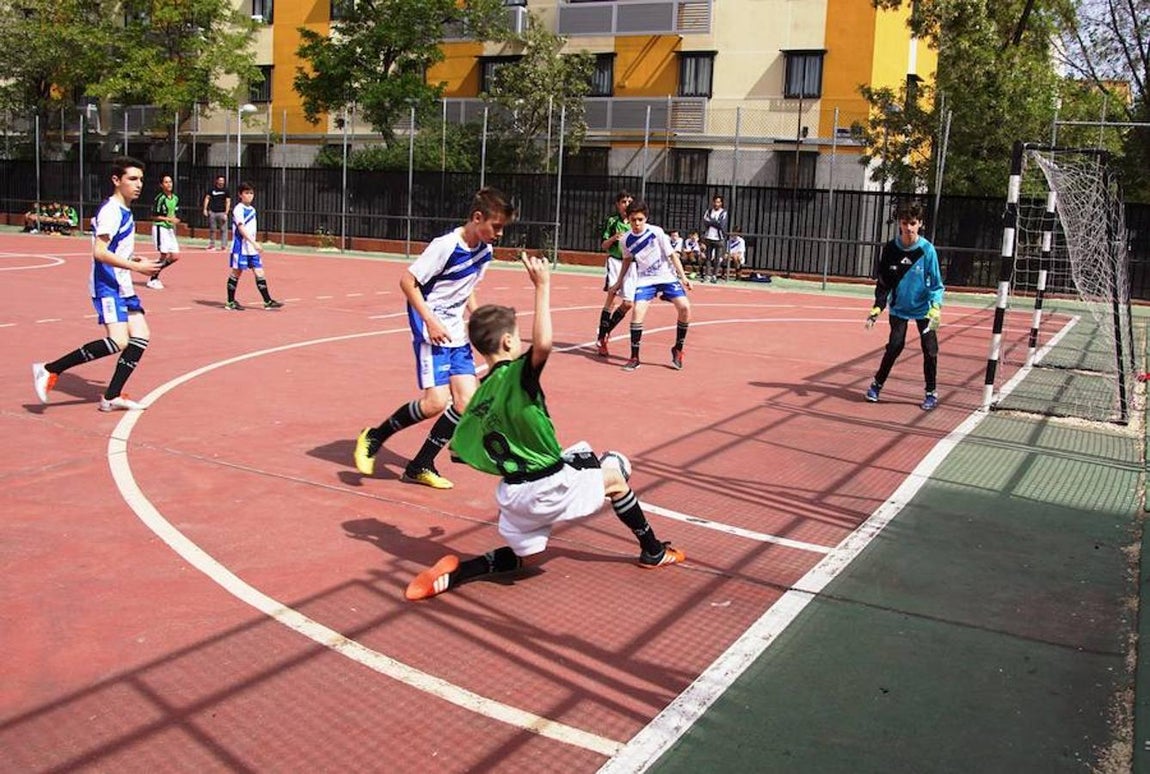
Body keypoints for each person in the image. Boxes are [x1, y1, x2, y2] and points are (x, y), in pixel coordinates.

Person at [404, 253, 685, 601]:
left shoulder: (476, 398)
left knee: (529, 558)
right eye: (517, 336)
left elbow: (465, 451)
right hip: (547, 486)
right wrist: (542, 287)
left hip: (513, 496)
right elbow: (544, 346)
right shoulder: (514, 377)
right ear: (508, 343)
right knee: (615, 474)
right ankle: (653, 551)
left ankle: (461, 572)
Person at [353, 187, 516, 489]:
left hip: (455, 327)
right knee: (434, 403)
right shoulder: (445, 246)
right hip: (431, 326)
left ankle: (420, 465)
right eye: (496, 226)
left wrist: (480, 321)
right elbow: (407, 281)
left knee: (466, 403)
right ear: (477, 217)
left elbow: (467, 288)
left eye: (503, 228)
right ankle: (375, 436)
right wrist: (430, 320)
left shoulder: (485, 251)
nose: (500, 233)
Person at [32, 157, 163, 412]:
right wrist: (137, 267)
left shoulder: (124, 210)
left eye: (141, 180)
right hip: (108, 285)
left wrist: (131, 258)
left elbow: (113, 249)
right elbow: (100, 252)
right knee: (118, 341)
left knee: (141, 336)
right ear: (116, 180)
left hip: (123, 284)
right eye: (132, 179)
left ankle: (111, 396)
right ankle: (49, 369)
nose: (139, 185)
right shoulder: (112, 211)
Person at [864, 200, 945, 411]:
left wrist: (936, 306)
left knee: (930, 349)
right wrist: (877, 307)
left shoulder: (927, 250)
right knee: (895, 346)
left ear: (919, 224)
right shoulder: (890, 249)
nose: (908, 228)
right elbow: (883, 283)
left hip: (924, 309)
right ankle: (876, 385)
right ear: (899, 224)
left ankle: (931, 392)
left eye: (912, 223)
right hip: (899, 307)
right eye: (904, 222)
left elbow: (937, 284)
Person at [610, 199, 692, 372]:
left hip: (666, 276)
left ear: (645, 218)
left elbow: (672, 256)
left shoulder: (657, 232)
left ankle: (678, 349)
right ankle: (634, 357)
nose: (637, 223)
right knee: (637, 312)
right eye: (633, 220)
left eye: (640, 219)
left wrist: (683, 277)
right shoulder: (625, 240)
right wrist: (618, 282)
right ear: (629, 219)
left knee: (684, 308)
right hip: (645, 280)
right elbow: (626, 261)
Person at [224, 182, 282, 310]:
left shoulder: (252, 210)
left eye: (251, 193)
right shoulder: (238, 209)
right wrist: (254, 243)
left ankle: (267, 301)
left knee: (259, 272)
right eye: (246, 193)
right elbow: (241, 228)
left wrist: (253, 244)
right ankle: (230, 302)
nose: (249, 196)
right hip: (240, 247)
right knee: (236, 272)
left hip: (251, 248)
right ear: (240, 195)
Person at [594, 190, 637, 357]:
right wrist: (613, 239)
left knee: (628, 304)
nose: (627, 205)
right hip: (615, 262)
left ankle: (605, 330)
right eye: (624, 202)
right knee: (611, 296)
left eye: (629, 201)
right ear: (618, 204)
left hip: (631, 265)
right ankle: (601, 339)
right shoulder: (612, 221)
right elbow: (604, 246)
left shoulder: (636, 223)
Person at [147, 174, 180, 289]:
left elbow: (173, 212)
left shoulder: (175, 198)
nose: (169, 184)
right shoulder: (160, 198)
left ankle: (152, 269)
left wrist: (173, 220)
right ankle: (153, 278)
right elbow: (154, 216)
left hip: (169, 229)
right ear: (161, 185)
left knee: (175, 256)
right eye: (166, 182)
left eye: (170, 182)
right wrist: (169, 219)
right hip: (160, 228)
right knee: (163, 254)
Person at [701, 193, 728, 283]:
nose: (716, 204)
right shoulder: (708, 211)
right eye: (715, 202)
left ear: (721, 203)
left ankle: (715, 275)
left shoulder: (723, 212)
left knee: (717, 258)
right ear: (713, 202)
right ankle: (707, 275)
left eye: (718, 202)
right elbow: (705, 221)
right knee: (708, 258)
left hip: (719, 238)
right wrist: (714, 222)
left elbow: (721, 224)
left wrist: (712, 222)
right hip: (709, 237)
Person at [202, 175, 230, 250]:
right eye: (220, 180)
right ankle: (212, 245)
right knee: (212, 229)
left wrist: (226, 213)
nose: (221, 182)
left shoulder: (226, 190)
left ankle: (224, 246)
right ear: (217, 181)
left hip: (222, 213)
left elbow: (228, 202)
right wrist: (205, 209)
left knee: (223, 230)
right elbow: (207, 198)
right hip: (212, 212)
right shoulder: (212, 189)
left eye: (223, 180)